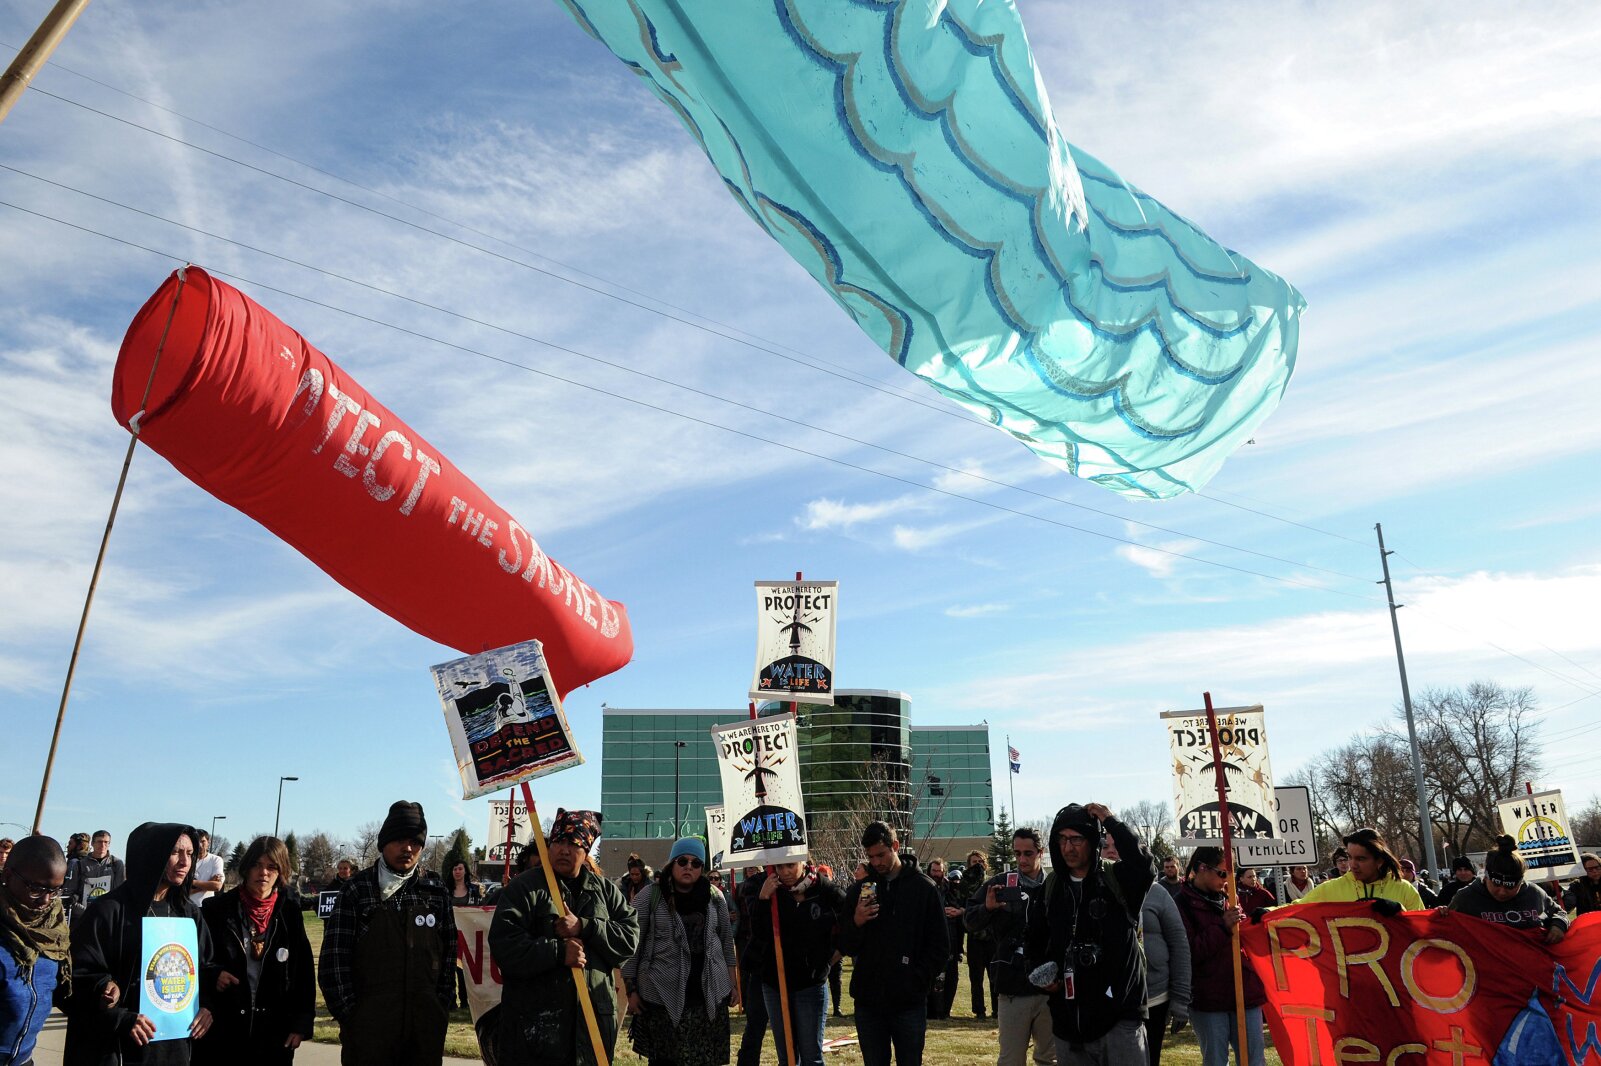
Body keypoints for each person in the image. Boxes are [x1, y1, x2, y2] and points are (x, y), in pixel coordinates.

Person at [490, 809, 638, 1065]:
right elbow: (505, 946)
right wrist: (558, 953)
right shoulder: (524, 888)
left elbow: (629, 939)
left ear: (587, 850)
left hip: (592, 1035)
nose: (564, 850)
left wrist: (586, 927)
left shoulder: (606, 892)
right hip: (534, 1037)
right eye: (558, 841)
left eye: (574, 844)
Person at [66, 821, 216, 1065]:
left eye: (190, 854)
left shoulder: (189, 914)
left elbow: (205, 967)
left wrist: (208, 1007)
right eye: (175, 852)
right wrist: (111, 1002)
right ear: (151, 854)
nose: (184, 862)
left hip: (173, 1047)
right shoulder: (109, 911)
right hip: (118, 1049)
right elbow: (77, 975)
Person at [318, 801, 455, 1066]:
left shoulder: (435, 889)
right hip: (369, 1033)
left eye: (415, 842)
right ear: (383, 843)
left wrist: (440, 1005)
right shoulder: (357, 889)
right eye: (400, 840)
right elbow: (334, 958)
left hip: (423, 1032)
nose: (408, 849)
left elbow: (449, 952)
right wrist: (352, 1016)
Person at [1025, 803, 1154, 1066]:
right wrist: (1042, 973)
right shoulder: (1052, 888)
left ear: (1093, 840)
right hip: (1068, 1024)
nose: (1068, 848)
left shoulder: (1116, 879)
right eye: (1062, 839)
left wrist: (1109, 820)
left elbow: (1143, 865)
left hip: (1119, 1021)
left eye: (1076, 839)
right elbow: (1033, 939)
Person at [837, 820, 948, 1066]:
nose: (876, 862)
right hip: (869, 1001)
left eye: (881, 855)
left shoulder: (924, 889)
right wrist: (856, 922)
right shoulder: (859, 891)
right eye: (870, 856)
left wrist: (917, 980)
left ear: (895, 846)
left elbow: (940, 945)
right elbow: (845, 944)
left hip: (908, 1002)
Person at [196, 836, 314, 1065]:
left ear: (281, 872)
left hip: (274, 1032)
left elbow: (304, 972)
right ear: (247, 868)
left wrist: (301, 1023)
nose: (264, 873)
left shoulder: (290, 913)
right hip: (224, 1028)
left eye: (272, 867)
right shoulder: (216, 910)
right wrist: (213, 974)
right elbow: (197, 961)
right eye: (257, 865)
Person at [623, 837, 738, 1066]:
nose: (689, 867)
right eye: (682, 861)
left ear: (702, 869)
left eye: (696, 863)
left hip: (708, 998)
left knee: (706, 1060)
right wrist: (631, 990)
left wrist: (733, 985)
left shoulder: (715, 897)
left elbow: (726, 941)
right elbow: (632, 946)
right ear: (671, 864)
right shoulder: (650, 896)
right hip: (661, 998)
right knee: (666, 1061)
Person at [965, 827, 1055, 1066]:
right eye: (1017, 854)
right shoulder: (1001, 884)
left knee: (1050, 1059)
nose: (1022, 859)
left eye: (1028, 853)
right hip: (1013, 987)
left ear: (1040, 852)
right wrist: (988, 908)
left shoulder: (1056, 885)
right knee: (1011, 1060)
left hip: (1050, 989)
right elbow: (970, 920)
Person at [1099, 838, 1190, 1066]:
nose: (1111, 852)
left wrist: (1180, 999)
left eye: (1117, 847)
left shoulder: (1157, 893)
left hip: (1153, 998)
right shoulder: (1089, 891)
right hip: (1104, 1000)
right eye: (1104, 847)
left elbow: (1179, 944)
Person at [744, 857, 840, 1066]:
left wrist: (829, 960)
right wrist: (763, 898)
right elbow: (759, 933)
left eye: (791, 865)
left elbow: (848, 922)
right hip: (775, 983)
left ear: (803, 862)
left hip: (810, 985)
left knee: (811, 1057)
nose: (786, 872)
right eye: (780, 866)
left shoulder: (822, 888)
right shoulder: (767, 887)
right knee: (787, 1057)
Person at [1173, 848, 1263, 1066]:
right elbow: (1188, 952)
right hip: (1208, 998)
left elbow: (1242, 940)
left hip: (1244, 991)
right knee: (1215, 1060)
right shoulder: (1181, 904)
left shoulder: (1229, 898)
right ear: (1202, 868)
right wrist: (1223, 927)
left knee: (1253, 1060)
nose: (1227, 880)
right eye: (1223, 873)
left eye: (1230, 874)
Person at [2, 834, 74, 1065]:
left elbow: (60, 993)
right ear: (8, 875)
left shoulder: (55, 930)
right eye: (36, 888)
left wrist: (103, 989)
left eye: (54, 891)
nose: (45, 900)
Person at [1448, 836, 1567, 943]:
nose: (1502, 892)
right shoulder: (1466, 897)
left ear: (1521, 882)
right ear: (1486, 877)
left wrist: (1558, 924)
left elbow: (1560, 913)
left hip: (1530, 962)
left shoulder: (1533, 893)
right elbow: (1445, 929)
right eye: (1496, 884)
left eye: (1510, 886)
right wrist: (1441, 913)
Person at [1288, 829, 1423, 913]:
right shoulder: (1331, 888)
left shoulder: (1405, 890)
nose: (1353, 865)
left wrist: (1399, 911)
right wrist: (1267, 912)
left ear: (1379, 860)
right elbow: (1296, 909)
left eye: (1361, 859)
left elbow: (1423, 934)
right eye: (1350, 857)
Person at [957, 849, 994, 1019]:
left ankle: (997, 1010)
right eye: (974, 863)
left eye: (980, 862)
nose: (977, 866)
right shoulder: (965, 883)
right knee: (976, 977)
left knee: (994, 976)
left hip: (991, 936)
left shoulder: (992, 882)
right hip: (974, 938)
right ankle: (979, 1010)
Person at [924, 858, 962, 1020]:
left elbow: (963, 905)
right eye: (934, 871)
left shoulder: (951, 888)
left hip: (951, 937)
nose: (937, 874)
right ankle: (932, 1011)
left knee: (951, 977)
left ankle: (945, 1011)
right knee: (932, 977)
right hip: (930, 940)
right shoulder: (924, 887)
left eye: (939, 871)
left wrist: (958, 911)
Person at [72, 831, 126, 908]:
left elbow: (119, 893)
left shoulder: (117, 864)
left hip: (107, 913)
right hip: (84, 914)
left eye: (106, 842)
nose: (103, 845)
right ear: (92, 843)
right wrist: (82, 910)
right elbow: (71, 892)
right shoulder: (80, 865)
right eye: (99, 842)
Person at [189, 831, 226, 907]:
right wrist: (209, 883)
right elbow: (182, 890)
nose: (199, 845)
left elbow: (216, 886)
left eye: (203, 841)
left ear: (208, 842)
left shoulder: (216, 860)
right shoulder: (187, 860)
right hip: (187, 906)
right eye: (197, 841)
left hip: (206, 907)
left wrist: (192, 882)